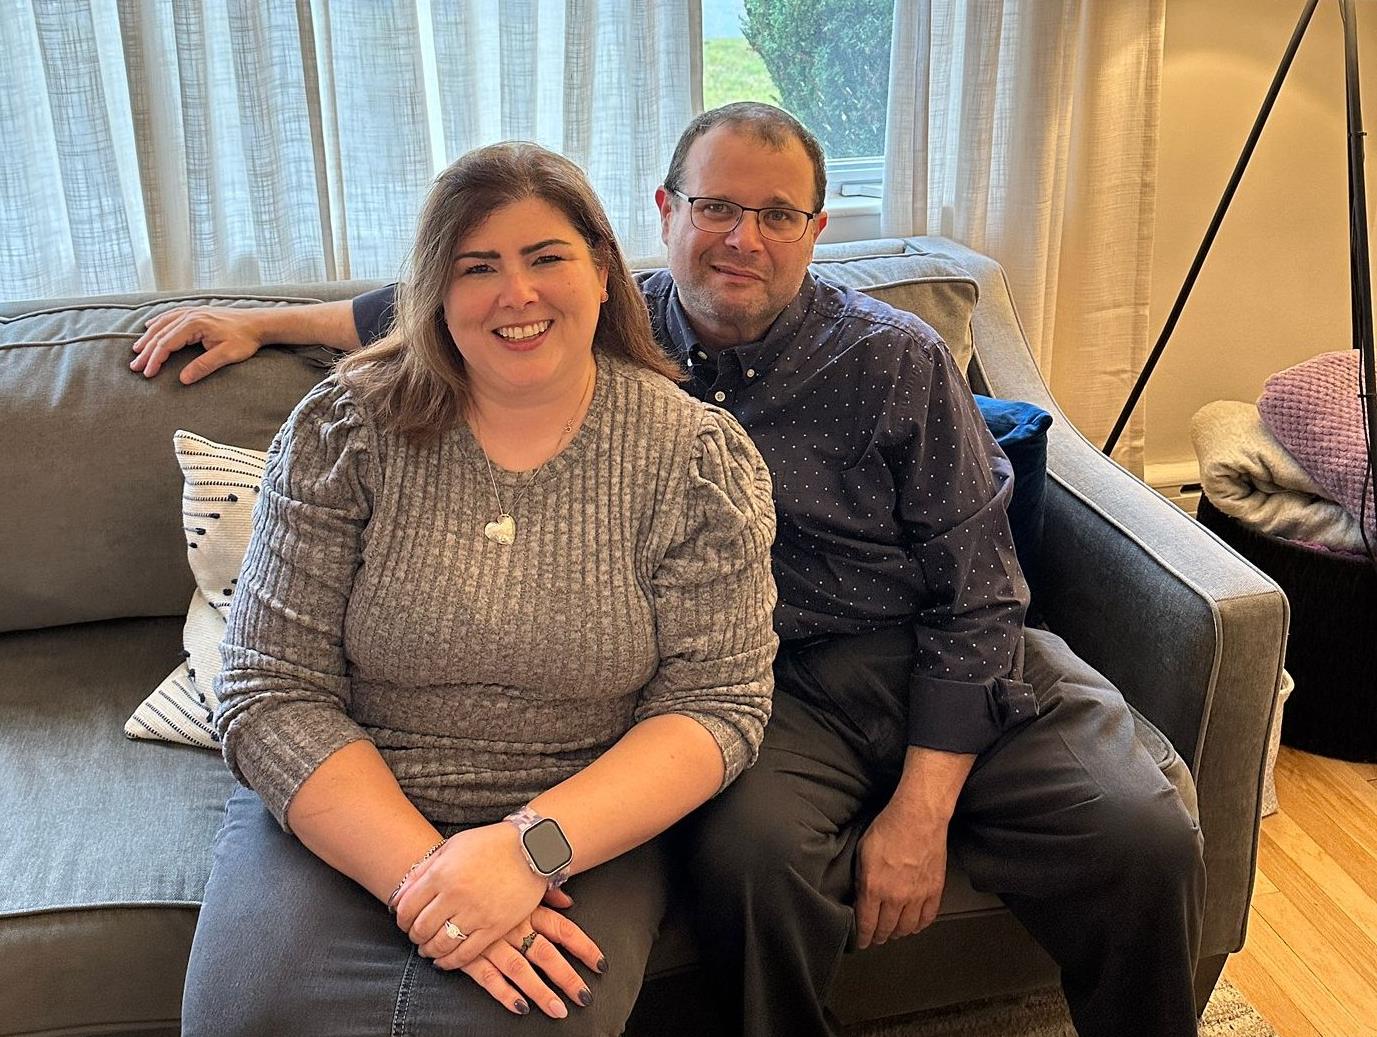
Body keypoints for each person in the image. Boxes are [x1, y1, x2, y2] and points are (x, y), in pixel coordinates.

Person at [140, 105, 1205, 1037]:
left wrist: (922, 808)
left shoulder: (891, 357)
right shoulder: (586, 316)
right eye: (716, 207)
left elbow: (979, 588)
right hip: (785, 686)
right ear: (664, 212)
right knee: (752, 863)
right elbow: (437, 300)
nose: (742, 237)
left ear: (815, 229)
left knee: (1142, 829)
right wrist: (260, 323)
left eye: (777, 213)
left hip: (934, 650)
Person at [176, 140, 778, 1037]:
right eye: (477, 267)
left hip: (583, 821)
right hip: (343, 800)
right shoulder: (344, 430)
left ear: (602, 271)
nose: (516, 293)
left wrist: (528, 850)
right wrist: (430, 879)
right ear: (435, 289)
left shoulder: (693, 458)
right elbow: (269, 686)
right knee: (251, 1019)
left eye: (545, 258)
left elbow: (717, 702)